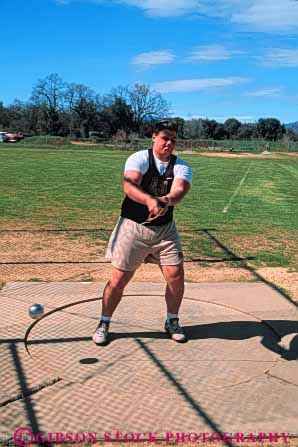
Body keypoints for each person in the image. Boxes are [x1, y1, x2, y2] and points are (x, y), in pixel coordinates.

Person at [93, 120, 192, 345]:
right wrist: (149, 200)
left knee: (176, 277)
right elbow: (129, 186)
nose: (169, 143)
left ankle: (172, 320)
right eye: (165, 138)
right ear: (154, 137)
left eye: (174, 139)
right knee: (119, 280)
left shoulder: (181, 166)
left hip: (165, 231)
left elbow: (179, 191)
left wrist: (164, 201)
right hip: (133, 227)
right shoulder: (139, 158)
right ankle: (104, 322)